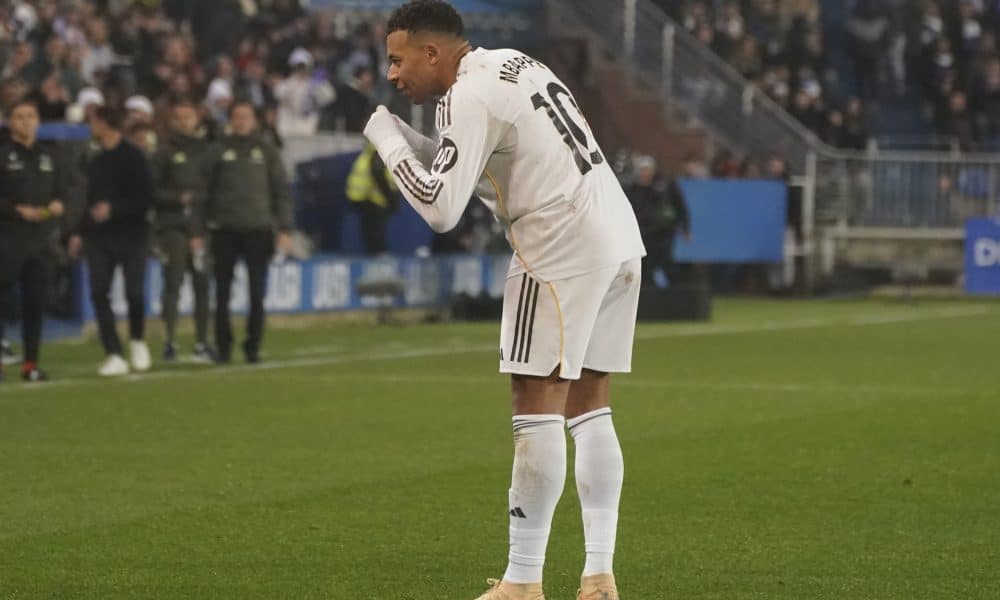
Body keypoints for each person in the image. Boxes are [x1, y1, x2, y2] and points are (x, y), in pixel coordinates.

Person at [363, 2, 645, 598]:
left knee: (534, 404)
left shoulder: (467, 98)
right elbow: (458, 165)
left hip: (559, 245)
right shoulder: (512, 64)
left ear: (432, 52)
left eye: (397, 59)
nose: (392, 74)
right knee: (591, 406)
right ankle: (598, 573)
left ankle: (522, 582)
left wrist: (387, 141)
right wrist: (406, 136)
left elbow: (441, 210)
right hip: (616, 234)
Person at [197, 101, 292, 364]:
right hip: (223, 230)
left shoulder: (266, 150)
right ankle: (224, 347)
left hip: (258, 230)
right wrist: (197, 230)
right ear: (230, 120)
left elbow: (281, 191)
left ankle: (253, 347)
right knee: (222, 293)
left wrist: (285, 227)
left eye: (246, 116)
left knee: (256, 294)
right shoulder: (217, 150)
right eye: (237, 117)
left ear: (254, 120)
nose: (241, 121)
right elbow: (202, 193)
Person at [68, 105, 154, 377]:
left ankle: (138, 340)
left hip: (132, 235)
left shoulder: (134, 157)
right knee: (98, 292)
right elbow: (88, 200)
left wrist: (114, 209)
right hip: (99, 238)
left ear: (105, 124)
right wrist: (79, 232)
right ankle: (113, 352)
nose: (90, 127)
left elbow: (146, 199)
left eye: (93, 122)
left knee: (134, 292)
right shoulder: (94, 161)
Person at [0, 99, 66, 382]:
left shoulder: (49, 157)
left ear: (38, 121)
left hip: (40, 243)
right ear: (9, 122)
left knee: (35, 304)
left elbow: (62, 192)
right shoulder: (3, 155)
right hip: (6, 239)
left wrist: (58, 205)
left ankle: (31, 364)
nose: (25, 122)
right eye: (19, 117)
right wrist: (15, 210)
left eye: (30, 116)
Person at [151, 99, 214, 363]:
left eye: (189, 117)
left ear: (196, 120)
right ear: (172, 122)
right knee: (173, 283)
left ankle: (201, 342)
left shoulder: (207, 151)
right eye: (180, 118)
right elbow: (151, 191)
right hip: (172, 227)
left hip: (201, 229)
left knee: (202, 285)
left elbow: (215, 189)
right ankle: (170, 341)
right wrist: (177, 198)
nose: (185, 122)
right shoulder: (163, 153)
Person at [626, 156, 690, 288]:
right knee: (645, 263)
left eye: (647, 170)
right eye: (642, 170)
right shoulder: (632, 189)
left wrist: (685, 228)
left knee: (666, 261)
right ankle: (648, 293)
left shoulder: (665, 186)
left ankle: (674, 293)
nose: (645, 173)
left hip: (664, 232)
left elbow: (680, 206)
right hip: (643, 233)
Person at [346, 142, 397, 255]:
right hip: (371, 198)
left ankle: (375, 253)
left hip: (362, 196)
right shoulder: (378, 153)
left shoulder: (371, 151)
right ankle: (379, 254)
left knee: (371, 229)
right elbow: (378, 175)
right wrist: (390, 197)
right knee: (375, 229)